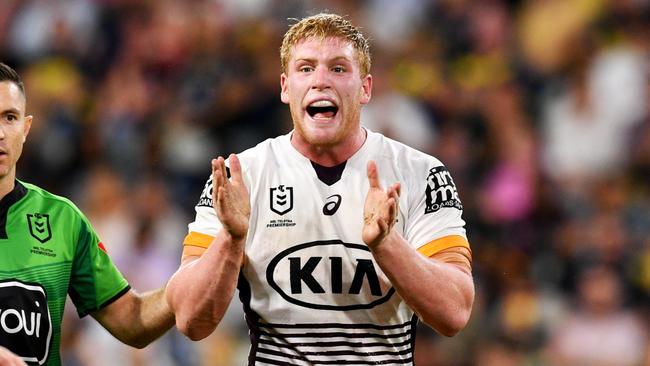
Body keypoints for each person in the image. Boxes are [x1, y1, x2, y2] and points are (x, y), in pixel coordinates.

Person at [167, 13, 474, 365]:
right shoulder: (242, 177)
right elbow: (190, 319)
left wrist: (387, 245)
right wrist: (231, 240)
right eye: (306, 68)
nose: (321, 82)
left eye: (339, 69)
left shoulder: (421, 173)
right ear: (285, 87)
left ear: (366, 88)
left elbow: (454, 313)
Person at [0, 62, 174, 366]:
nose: (0, 133)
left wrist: (201, 272)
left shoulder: (61, 219)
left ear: (25, 129)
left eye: (10, 118)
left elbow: (132, 322)